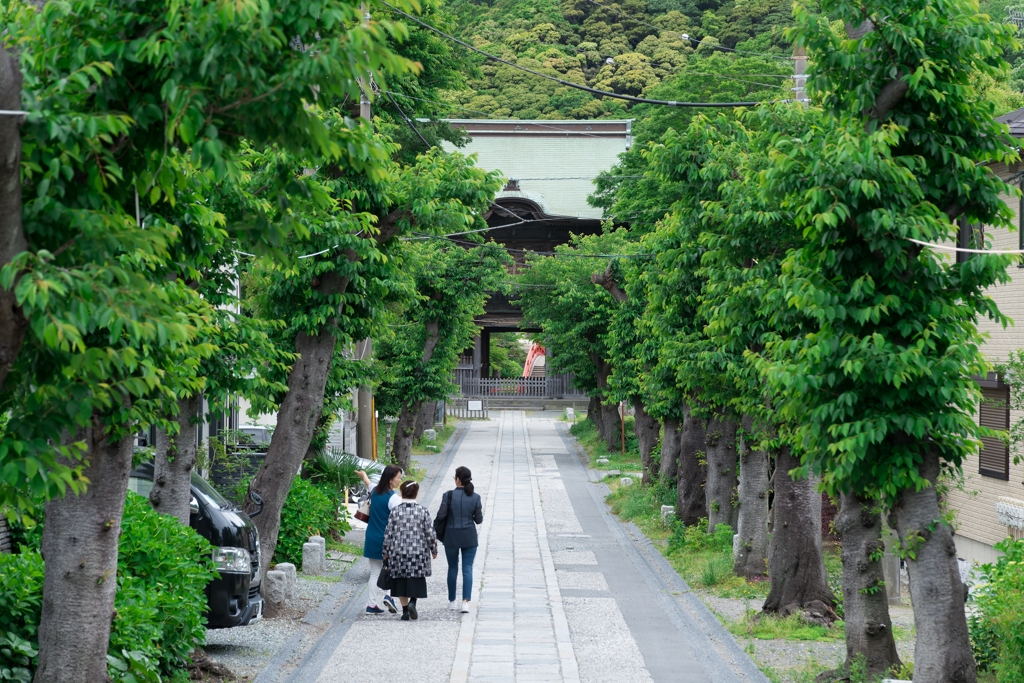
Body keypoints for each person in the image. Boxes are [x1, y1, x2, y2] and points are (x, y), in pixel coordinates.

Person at [382, 480, 437, 621]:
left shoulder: (395, 511)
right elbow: (430, 533)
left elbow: (388, 534)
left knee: (400, 581)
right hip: (418, 552)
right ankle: (413, 601)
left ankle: (405, 611)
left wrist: (385, 552)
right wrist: (433, 549)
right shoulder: (422, 511)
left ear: (401, 492)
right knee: (416, 580)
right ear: (416, 493)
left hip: (398, 552)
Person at [435, 466, 483, 613]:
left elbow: (441, 515)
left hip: (451, 535)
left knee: (452, 567)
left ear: (457, 479)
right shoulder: (475, 497)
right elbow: (479, 520)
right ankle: (465, 602)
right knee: (467, 568)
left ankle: (452, 601)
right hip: (469, 536)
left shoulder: (448, 495)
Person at [357, 464, 403, 614]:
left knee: (375, 572)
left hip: (371, 537)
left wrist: (363, 474)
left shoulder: (375, 490)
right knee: (391, 569)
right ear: (390, 479)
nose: (400, 480)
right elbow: (398, 521)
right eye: (398, 477)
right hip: (386, 540)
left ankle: (371, 605)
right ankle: (388, 597)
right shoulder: (393, 498)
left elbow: (367, 482)